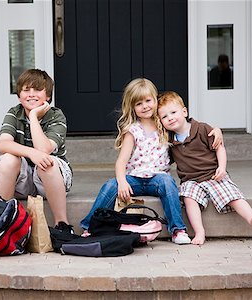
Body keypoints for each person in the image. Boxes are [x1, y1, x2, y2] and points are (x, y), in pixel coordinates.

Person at [79, 78, 222, 244]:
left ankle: (178, 230)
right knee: (110, 185)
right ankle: (90, 226)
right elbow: (121, 162)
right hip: (134, 179)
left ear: (156, 100)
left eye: (148, 101)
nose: (145, 106)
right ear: (132, 107)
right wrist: (122, 182)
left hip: (157, 179)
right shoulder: (132, 130)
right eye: (139, 103)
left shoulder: (165, 124)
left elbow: (189, 126)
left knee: (168, 183)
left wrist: (216, 130)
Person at [157, 91, 252, 245]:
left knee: (231, 195)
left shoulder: (202, 129)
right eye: (165, 117)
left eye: (173, 112)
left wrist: (222, 167)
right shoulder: (169, 140)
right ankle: (200, 231)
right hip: (191, 180)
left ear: (184, 111)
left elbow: (219, 147)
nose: (170, 118)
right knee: (188, 198)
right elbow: (165, 160)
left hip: (213, 175)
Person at [0, 69, 74, 234]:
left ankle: (62, 223)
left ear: (48, 97)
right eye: (26, 90)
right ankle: (3, 220)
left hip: (52, 179)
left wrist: (33, 117)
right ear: (19, 96)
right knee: (8, 159)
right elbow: (3, 144)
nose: (31, 94)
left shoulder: (56, 116)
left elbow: (44, 149)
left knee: (47, 163)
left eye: (37, 90)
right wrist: (31, 153)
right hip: (23, 180)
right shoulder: (14, 113)